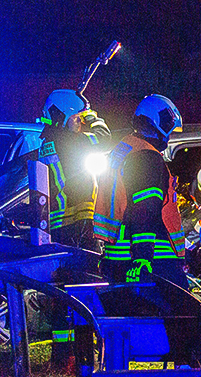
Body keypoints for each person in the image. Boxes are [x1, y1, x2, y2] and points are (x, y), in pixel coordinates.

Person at [94, 95, 187, 288]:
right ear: (160, 123)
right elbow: (145, 209)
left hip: (118, 256)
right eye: (169, 130)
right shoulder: (147, 156)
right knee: (181, 306)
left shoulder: (124, 149)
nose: (169, 137)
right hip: (154, 260)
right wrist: (143, 257)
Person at [38, 89, 110, 250]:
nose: (81, 123)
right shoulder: (69, 141)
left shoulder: (48, 141)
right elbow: (104, 138)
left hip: (59, 222)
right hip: (77, 220)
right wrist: (93, 118)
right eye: (76, 118)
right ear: (62, 118)